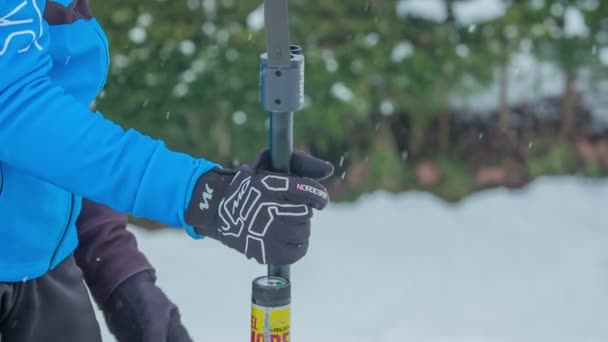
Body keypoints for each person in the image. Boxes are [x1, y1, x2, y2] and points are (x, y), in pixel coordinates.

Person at [0, 0, 334, 341]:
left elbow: (53, 142)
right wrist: (203, 195)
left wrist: (119, 271)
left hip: (45, 276)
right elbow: (14, 105)